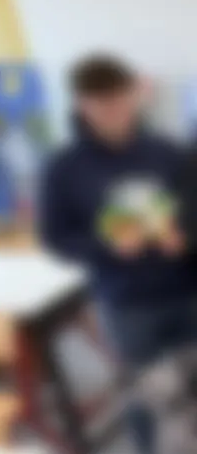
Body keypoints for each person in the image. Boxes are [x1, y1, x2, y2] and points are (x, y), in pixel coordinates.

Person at [39, 55, 196, 367]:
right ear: (83, 105)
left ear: (134, 96)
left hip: (187, 292)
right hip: (126, 302)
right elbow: (57, 238)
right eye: (102, 103)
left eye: (120, 100)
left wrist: (185, 237)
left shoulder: (170, 154)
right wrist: (109, 246)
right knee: (145, 395)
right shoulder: (66, 168)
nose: (114, 111)